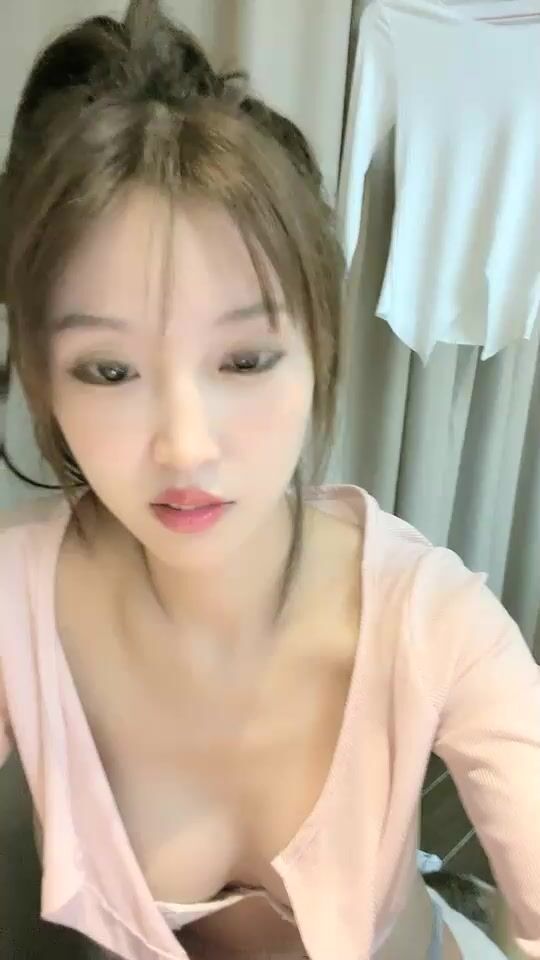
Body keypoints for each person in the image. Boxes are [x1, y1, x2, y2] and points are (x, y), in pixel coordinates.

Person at [0, 1, 538, 958]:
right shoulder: (18, 605)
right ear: (44, 379)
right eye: (109, 371)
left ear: (318, 348)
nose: (186, 448)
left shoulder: (432, 621)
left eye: (245, 360)